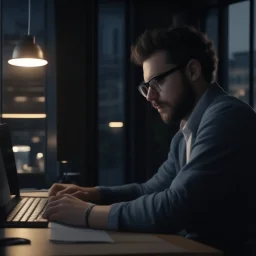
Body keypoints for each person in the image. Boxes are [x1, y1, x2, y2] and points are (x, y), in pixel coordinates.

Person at [42, 26, 256, 255]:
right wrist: (94, 194)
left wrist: (87, 213)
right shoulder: (185, 136)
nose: (150, 97)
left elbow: (175, 207)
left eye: (157, 83)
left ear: (193, 70)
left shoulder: (227, 118)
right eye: (146, 88)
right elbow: (150, 190)